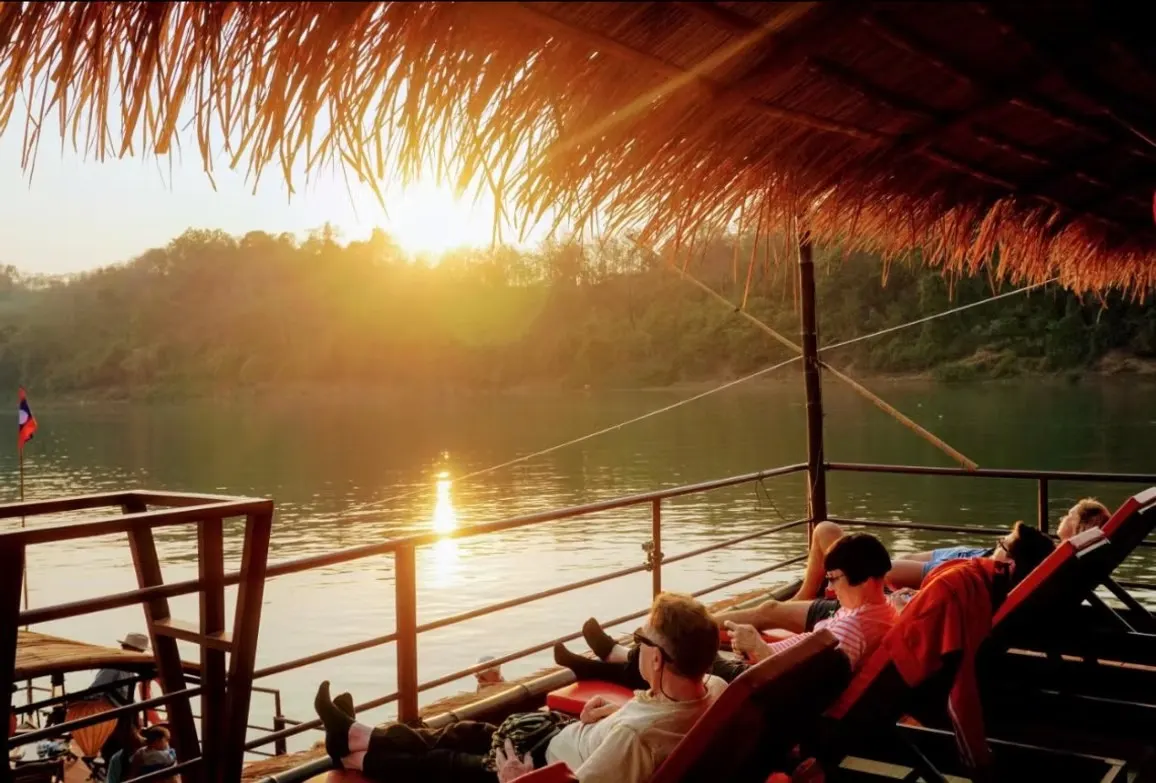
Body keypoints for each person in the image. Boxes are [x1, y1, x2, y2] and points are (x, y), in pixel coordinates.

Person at [314, 592, 724, 783]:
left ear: (656, 659)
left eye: (641, 640)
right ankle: (352, 734)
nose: (635, 646)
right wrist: (613, 717)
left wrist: (519, 780)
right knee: (465, 732)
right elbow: (659, 724)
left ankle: (353, 755)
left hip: (539, 764)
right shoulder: (714, 689)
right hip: (564, 736)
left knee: (442, 762)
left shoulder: (635, 741)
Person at [558, 534, 899, 690]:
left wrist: (758, 648)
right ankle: (616, 656)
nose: (831, 588)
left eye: (835, 580)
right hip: (765, 668)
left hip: (757, 680)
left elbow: (800, 682)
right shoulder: (880, 612)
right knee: (691, 651)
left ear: (867, 580)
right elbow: (810, 662)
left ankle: (606, 663)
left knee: (683, 656)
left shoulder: (851, 633)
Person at [717, 521, 1058, 639]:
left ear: (1010, 564)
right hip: (879, 597)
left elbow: (888, 573)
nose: (995, 545)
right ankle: (808, 594)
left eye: (1001, 545)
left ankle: (693, 624)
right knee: (827, 534)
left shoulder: (963, 577)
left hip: (867, 607)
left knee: (768, 608)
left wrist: (862, 563)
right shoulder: (978, 572)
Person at [795, 498, 1109, 599]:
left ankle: (815, 594)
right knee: (894, 561)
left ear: (1081, 528)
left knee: (828, 532)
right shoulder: (1063, 557)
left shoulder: (1047, 556)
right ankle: (827, 588)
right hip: (972, 557)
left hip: (966, 570)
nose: (1064, 517)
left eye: (1070, 515)